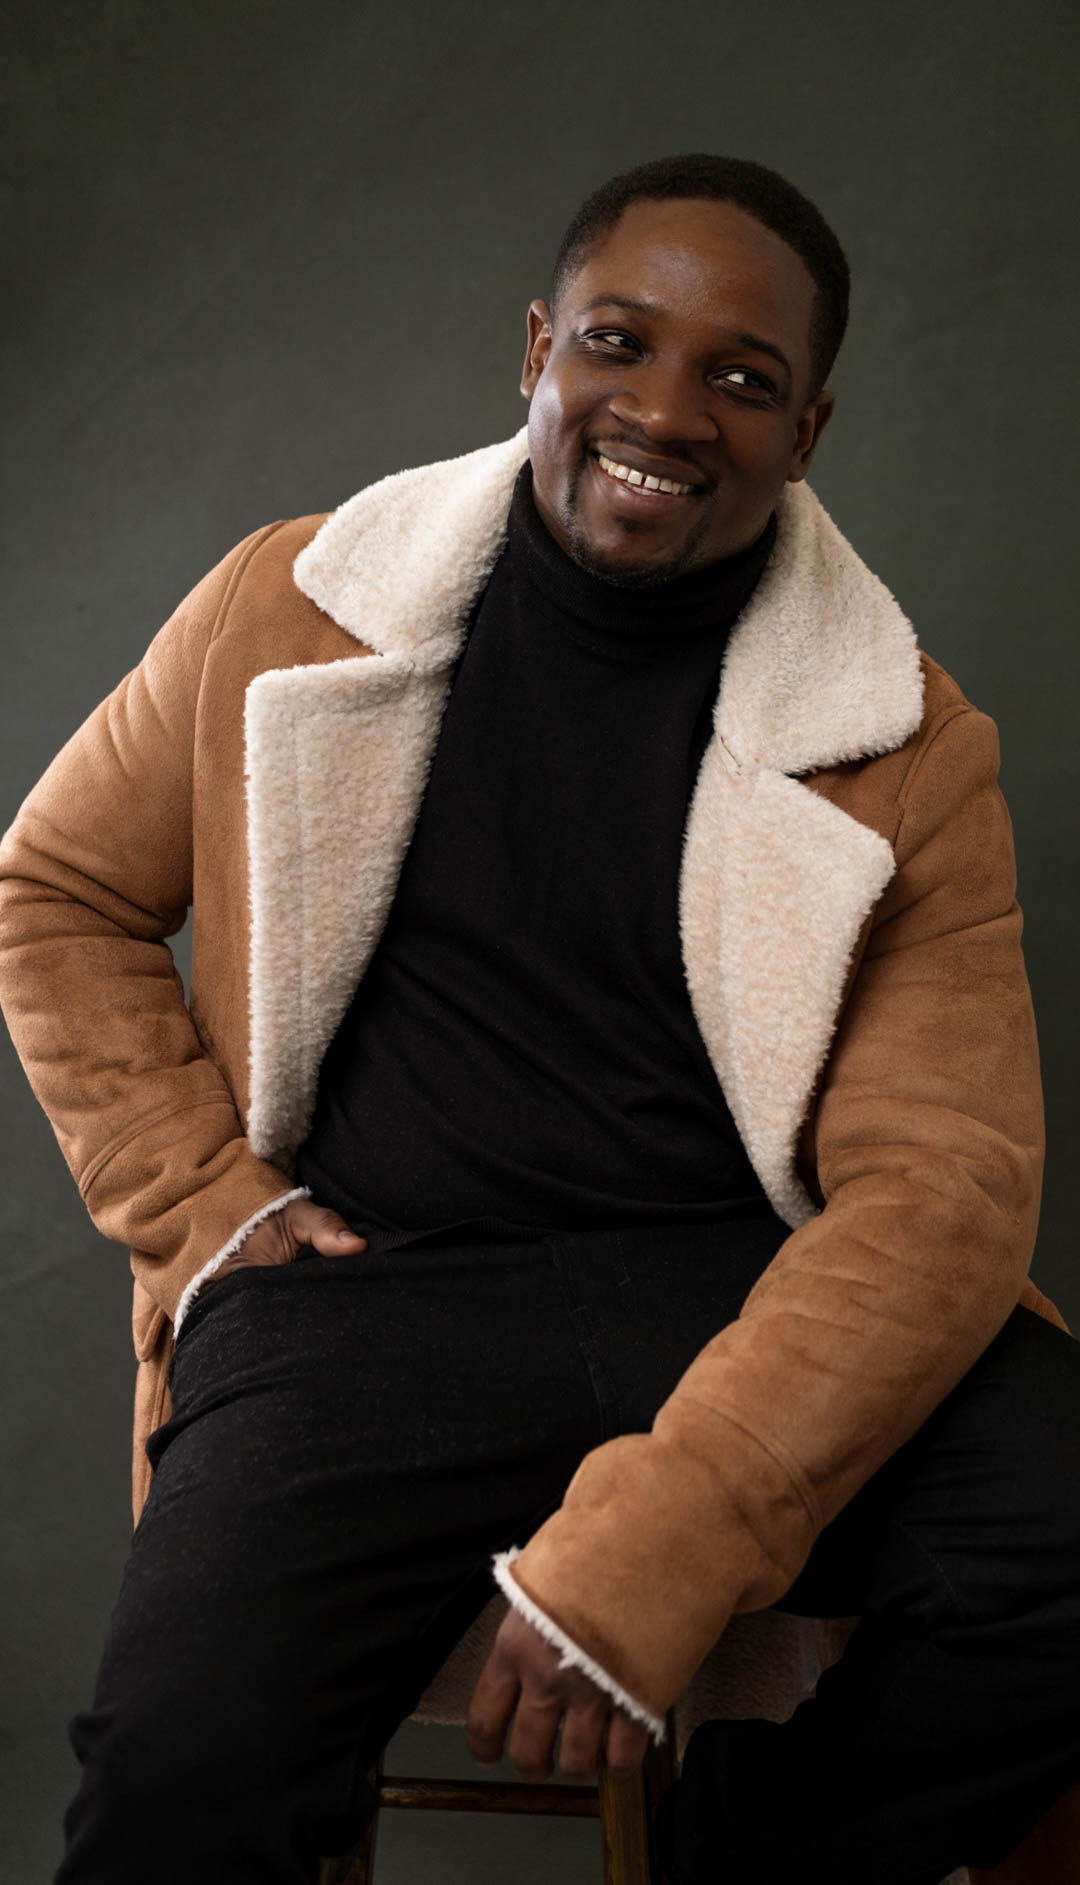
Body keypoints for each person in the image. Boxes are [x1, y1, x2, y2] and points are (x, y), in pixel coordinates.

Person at [0, 151, 1076, 1885]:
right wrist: (202, 1204)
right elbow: (52, 887)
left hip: (745, 1280)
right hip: (369, 1292)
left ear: (806, 430)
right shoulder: (292, 601)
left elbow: (941, 1192)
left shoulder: (908, 738)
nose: (664, 410)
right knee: (176, 1780)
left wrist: (671, 1533)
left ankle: (756, 1855)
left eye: (741, 378)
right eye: (619, 343)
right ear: (535, 354)